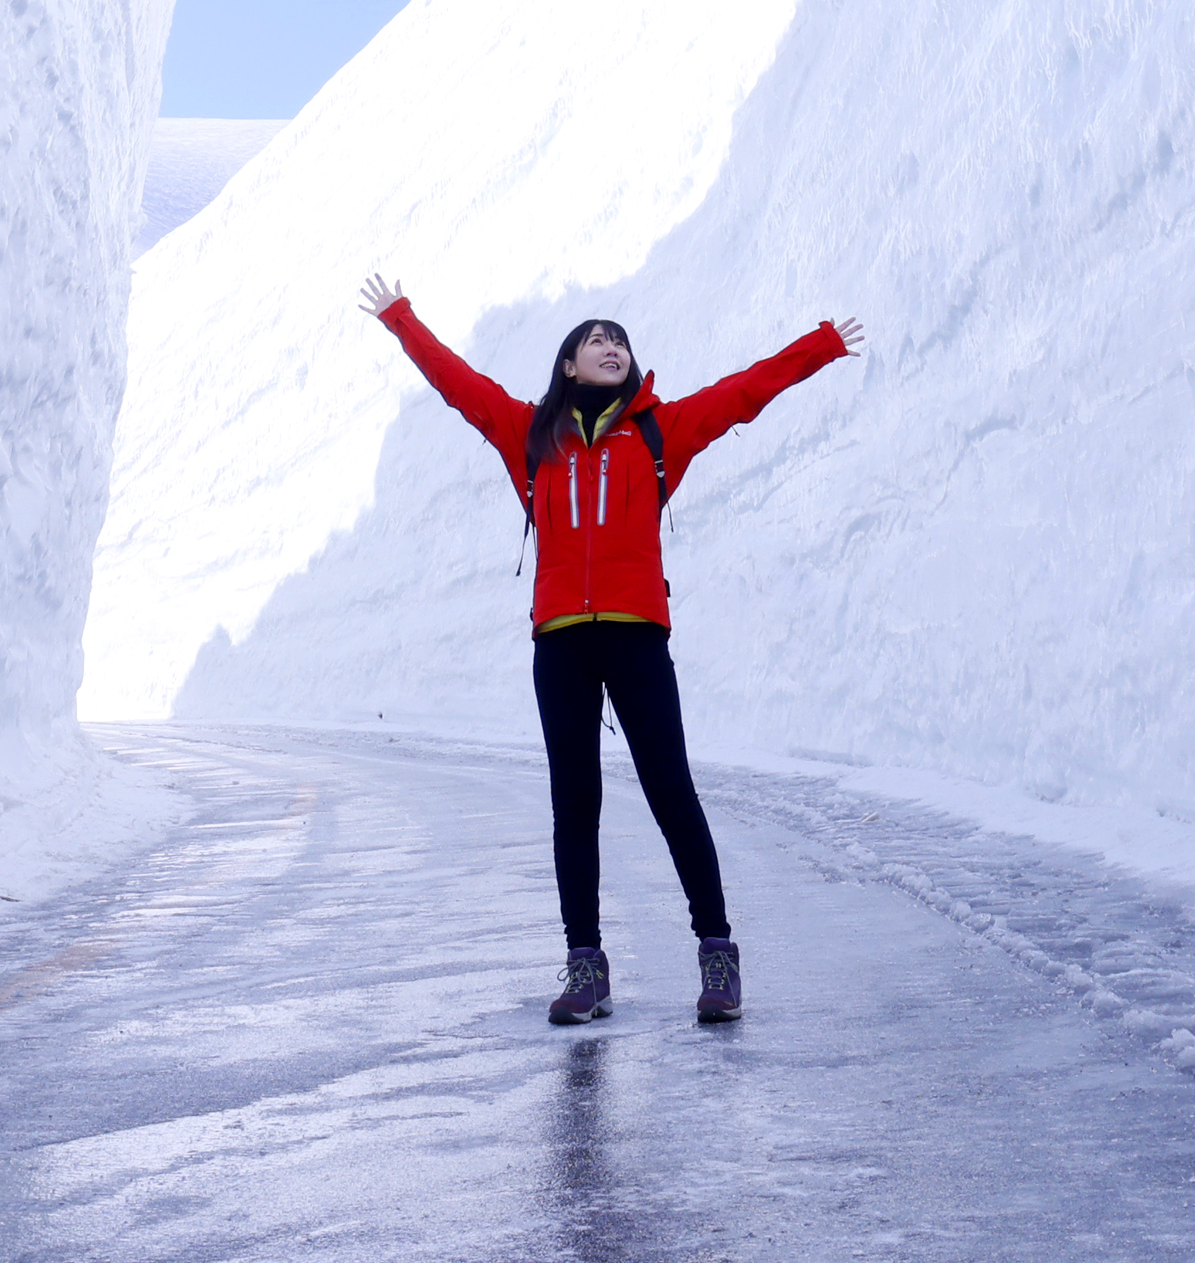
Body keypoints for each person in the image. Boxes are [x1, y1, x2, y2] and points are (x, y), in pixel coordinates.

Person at [358, 271, 860, 1026]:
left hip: (634, 633)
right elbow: (458, 385)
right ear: (567, 366)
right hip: (560, 640)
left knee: (670, 791)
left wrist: (818, 347)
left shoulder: (660, 432)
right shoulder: (529, 433)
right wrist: (401, 318)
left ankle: (717, 951)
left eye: (619, 340)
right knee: (575, 803)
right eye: (595, 340)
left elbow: (743, 394)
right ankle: (585, 965)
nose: (610, 346)